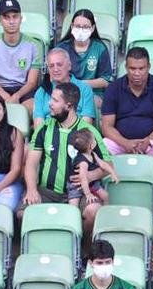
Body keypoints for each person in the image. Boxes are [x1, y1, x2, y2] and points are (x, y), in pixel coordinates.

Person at [24, 82, 107, 228]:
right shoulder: (43, 128)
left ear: (69, 106)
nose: (49, 103)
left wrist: (90, 176)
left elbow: (108, 166)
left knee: (93, 211)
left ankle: (85, 250)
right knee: (23, 213)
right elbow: (31, 165)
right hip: (47, 192)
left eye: (55, 101)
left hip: (80, 192)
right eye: (51, 99)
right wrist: (31, 190)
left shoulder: (88, 131)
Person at [100, 48, 153, 157]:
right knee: (102, 148)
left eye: (141, 68)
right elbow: (107, 127)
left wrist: (149, 141)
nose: (137, 73)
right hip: (120, 143)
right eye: (132, 68)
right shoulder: (113, 88)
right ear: (126, 67)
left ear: (148, 67)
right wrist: (125, 143)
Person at [0, 0, 41, 109]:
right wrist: (6, 97)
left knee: (34, 107)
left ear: (21, 18)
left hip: (22, 90)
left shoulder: (34, 45)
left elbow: (32, 82)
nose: (11, 21)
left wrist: (16, 96)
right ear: (0, 21)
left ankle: (20, 126)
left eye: (15, 17)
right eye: (6, 17)